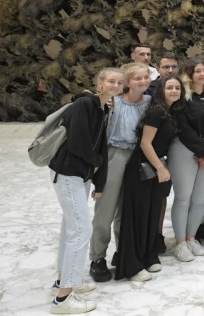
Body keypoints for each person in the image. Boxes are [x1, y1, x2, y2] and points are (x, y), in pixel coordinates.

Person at [49, 68, 123, 314]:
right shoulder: (84, 104)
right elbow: (78, 142)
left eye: (119, 82)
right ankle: (63, 299)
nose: (115, 85)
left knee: (70, 228)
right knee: (81, 230)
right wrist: (96, 164)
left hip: (81, 175)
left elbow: (100, 145)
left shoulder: (102, 108)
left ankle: (63, 281)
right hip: (68, 172)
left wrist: (99, 181)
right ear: (99, 83)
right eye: (111, 81)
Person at [114, 75, 180, 282]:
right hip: (142, 166)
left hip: (155, 166)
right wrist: (160, 167)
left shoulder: (169, 111)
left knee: (152, 213)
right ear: (161, 90)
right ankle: (132, 265)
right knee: (139, 215)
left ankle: (148, 256)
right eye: (170, 87)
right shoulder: (156, 111)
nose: (174, 91)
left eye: (177, 88)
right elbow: (145, 143)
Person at [89, 63, 150, 284]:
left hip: (137, 157)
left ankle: (124, 253)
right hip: (114, 155)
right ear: (128, 82)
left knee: (127, 212)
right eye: (136, 78)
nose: (142, 81)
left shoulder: (150, 103)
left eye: (145, 77)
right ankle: (97, 258)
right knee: (105, 211)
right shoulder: (114, 102)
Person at [168, 59, 204, 262]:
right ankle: (180, 242)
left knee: (201, 198)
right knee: (184, 197)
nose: (202, 74)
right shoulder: (182, 96)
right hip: (184, 148)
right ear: (189, 74)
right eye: (197, 71)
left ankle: (191, 237)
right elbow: (182, 127)